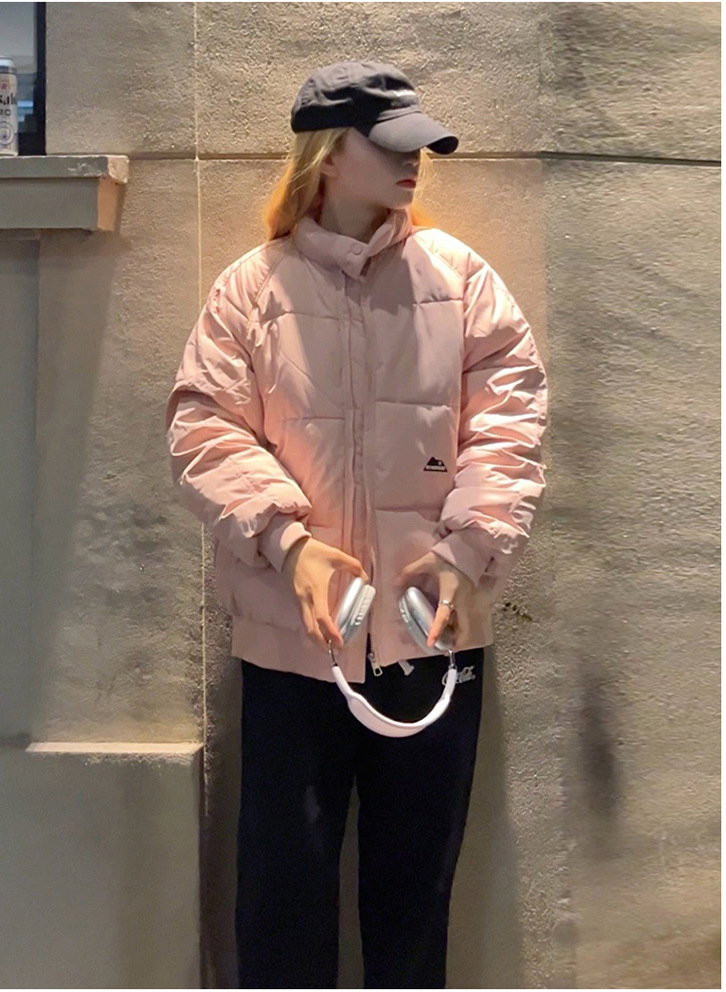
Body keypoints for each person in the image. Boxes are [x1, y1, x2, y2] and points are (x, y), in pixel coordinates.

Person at [165, 60, 548, 989]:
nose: (417, 163)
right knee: (282, 898)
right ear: (331, 154)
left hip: (433, 631)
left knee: (415, 901)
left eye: (421, 147)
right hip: (295, 641)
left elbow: (511, 423)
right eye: (394, 146)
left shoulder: (461, 279)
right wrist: (288, 542)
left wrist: (465, 552)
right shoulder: (251, 290)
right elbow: (204, 427)